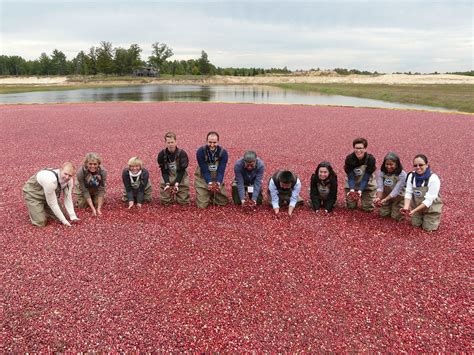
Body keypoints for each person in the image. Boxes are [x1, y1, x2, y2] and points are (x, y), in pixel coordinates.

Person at [22, 161, 79, 227]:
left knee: (62, 216)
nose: (67, 177)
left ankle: (43, 208)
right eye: (65, 174)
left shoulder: (69, 181)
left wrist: (73, 216)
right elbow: (52, 203)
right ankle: (35, 209)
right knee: (40, 222)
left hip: (50, 196)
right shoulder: (50, 180)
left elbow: (68, 198)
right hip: (34, 195)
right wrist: (64, 221)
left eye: (70, 175)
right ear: (60, 170)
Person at [400, 154, 443, 231]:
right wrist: (406, 207)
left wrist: (414, 211)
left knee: (428, 228)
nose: (418, 167)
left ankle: (433, 217)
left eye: (421, 165)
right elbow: (408, 192)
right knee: (415, 224)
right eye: (415, 165)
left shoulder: (433, 179)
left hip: (430, 208)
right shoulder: (411, 176)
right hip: (416, 206)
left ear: (427, 165)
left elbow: (429, 201)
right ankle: (420, 215)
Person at [194, 131, 229, 208]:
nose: (212, 145)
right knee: (202, 205)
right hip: (202, 179)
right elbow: (204, 170)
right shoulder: (200, 152)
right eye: (210, 142)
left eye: (214, 142)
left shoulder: (223, 153)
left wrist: (218, 183)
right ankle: (204, 193)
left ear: (218, 142)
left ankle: (211, 195)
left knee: (222, 202)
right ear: (206, 141)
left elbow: (221, 170)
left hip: (216, 178)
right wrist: (209, 183)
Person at [157, 132, 190, 205]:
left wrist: (177, 183)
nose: (170, 144)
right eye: (168, 142)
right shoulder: (161, 154)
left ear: (176, 142)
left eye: (172, 142)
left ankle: (180, 193)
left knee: (183, 202)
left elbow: (182, 170)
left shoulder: (182, 154)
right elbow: (163, 170)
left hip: (181, 177)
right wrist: (167, 183)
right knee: (165, 202)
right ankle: (168, 195)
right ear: (165, 143)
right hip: (168, 175)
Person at [344, 137, 376, 212]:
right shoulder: (349, 159)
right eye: (356, 148)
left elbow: (366, 178)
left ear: (365, 149)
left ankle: (366, 198)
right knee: (351, 207)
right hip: (352, 183)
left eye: (360, 148)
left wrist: (360, 191)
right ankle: (351, 198)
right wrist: (352, 190)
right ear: (353, 148)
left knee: (367, 209)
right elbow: (351, 177)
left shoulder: (371, 159)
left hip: (367, 184)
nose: (358, 150)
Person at [374, 152, 407, 220]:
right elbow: (380, 187)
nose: (389, 166)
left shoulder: (402, 175)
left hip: (398, 197)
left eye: (391, 164)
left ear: (397, 164)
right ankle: (388, 205)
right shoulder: (381, 172)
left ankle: (397, 206)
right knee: (383, 214)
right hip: (386, 196)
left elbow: (396, 191)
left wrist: (384, 199)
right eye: (387, 164)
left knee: (395, 217)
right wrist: (378, 198)